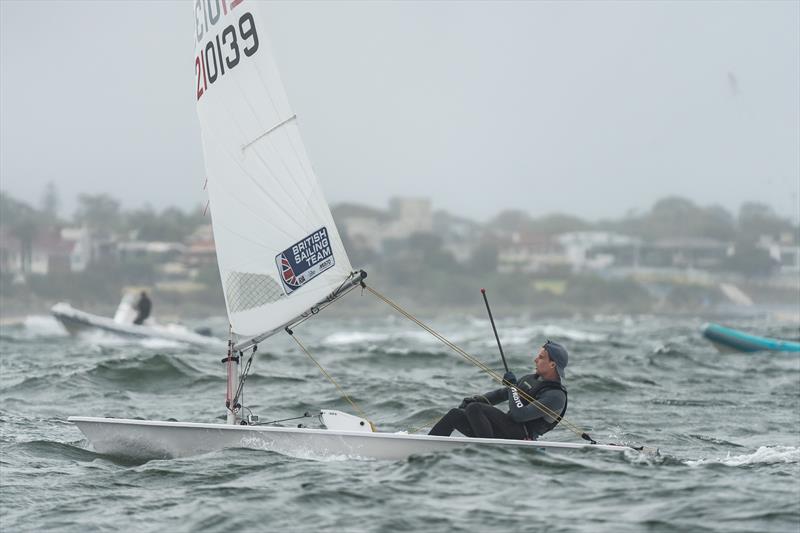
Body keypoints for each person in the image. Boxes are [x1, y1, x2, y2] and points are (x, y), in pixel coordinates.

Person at [428, 340, 569, 441]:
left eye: (541, 357)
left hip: (521, 437)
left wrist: (512, 387)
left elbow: (519, 415)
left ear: (552, 364)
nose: (535, 359)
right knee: (456, 414)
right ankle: (427, 444)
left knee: (475, 409)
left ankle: (487, 451)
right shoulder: (530, 379)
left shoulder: (556, 396)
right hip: (504, 429)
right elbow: (502, 394)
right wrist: (478, 398)